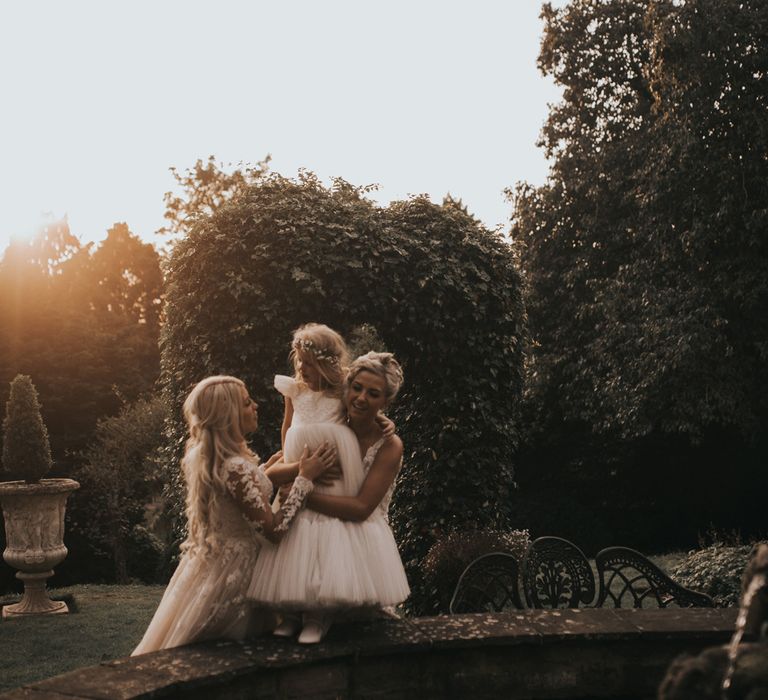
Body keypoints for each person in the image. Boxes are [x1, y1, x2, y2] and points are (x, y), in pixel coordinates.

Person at [132, 375, 334, 655]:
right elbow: (274, 530)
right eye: (247, 403)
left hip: (212, 564)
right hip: (238, 576)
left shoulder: (210, 458)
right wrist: (304, 480)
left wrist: (263, 473)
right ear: (228, 415)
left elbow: (237, 500)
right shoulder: (235, 468)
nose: (256, 406)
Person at [249, 348, 410, 643]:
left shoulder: (390, 444)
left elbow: (362, 508)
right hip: (312, 532)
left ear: (385, 401)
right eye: (357, 388)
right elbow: (287, 461)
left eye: (373, 394)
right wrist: (294, 476)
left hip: (360, 543)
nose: (361, 398)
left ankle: (319, 614)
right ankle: (297, 611)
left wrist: (302, 492)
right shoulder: (332, 424)